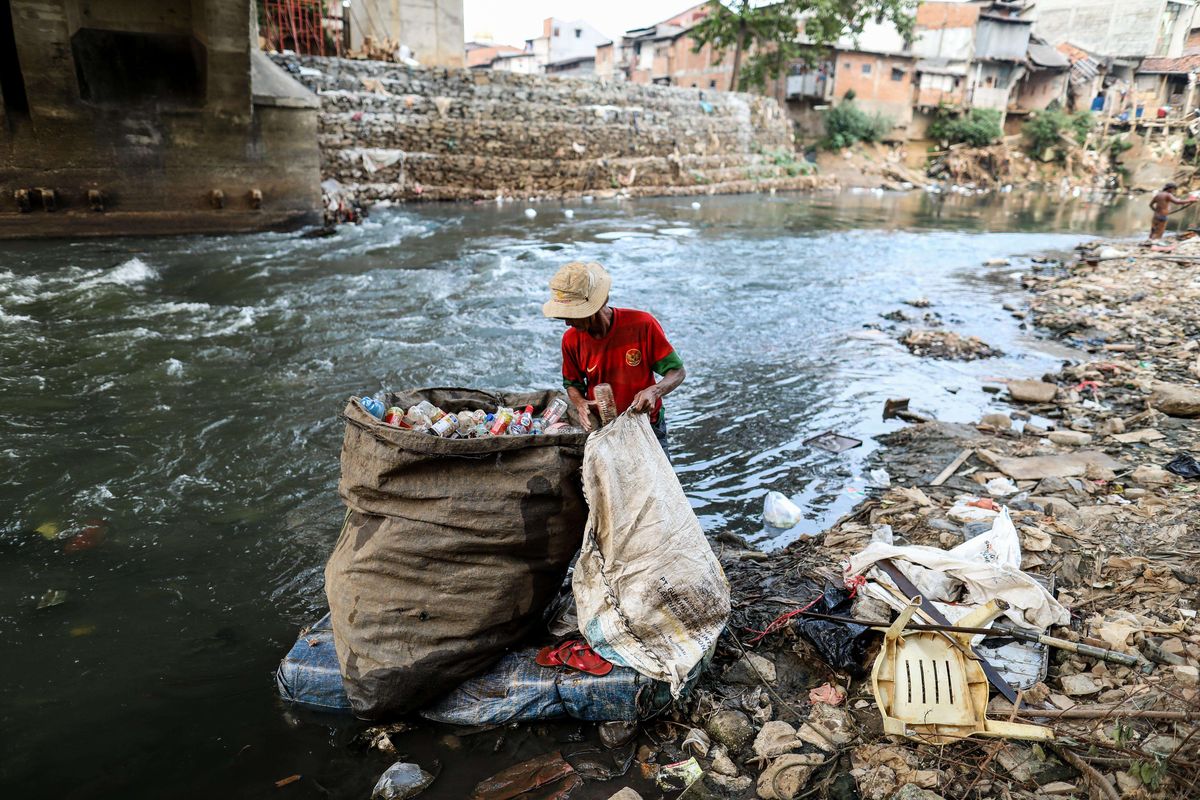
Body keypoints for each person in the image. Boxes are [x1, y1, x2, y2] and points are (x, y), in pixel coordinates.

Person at [542, 261, 685, 456]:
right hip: (604, 430)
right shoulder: (571, 339)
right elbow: (573, 384)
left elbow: (677, 372)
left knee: (659, 485)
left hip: (647, 426)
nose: (567, 322)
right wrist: (580, 403)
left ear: (596, 306)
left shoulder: (642, 324)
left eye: (573, 315)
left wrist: (655, 390)